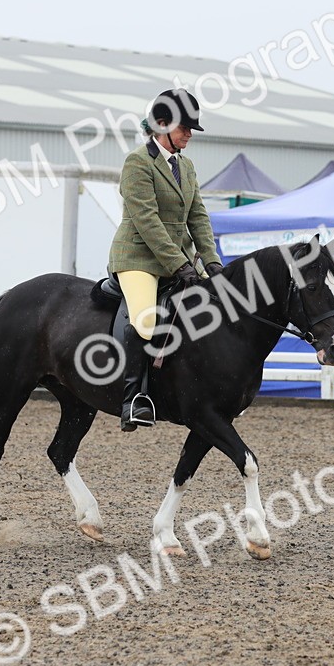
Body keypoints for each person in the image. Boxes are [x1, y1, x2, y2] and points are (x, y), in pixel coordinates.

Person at [108, 88, 224, 432]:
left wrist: (212, 262)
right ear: (161, 125)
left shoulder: (186, 166)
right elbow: (147, 221)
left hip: (179, 261)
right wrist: (182, 266)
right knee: (145, 321)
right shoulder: (137, 163)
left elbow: (198, 217)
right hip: (138, 258)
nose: (189, 134)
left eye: (191, 128)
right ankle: (133, 399)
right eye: (184, 128)